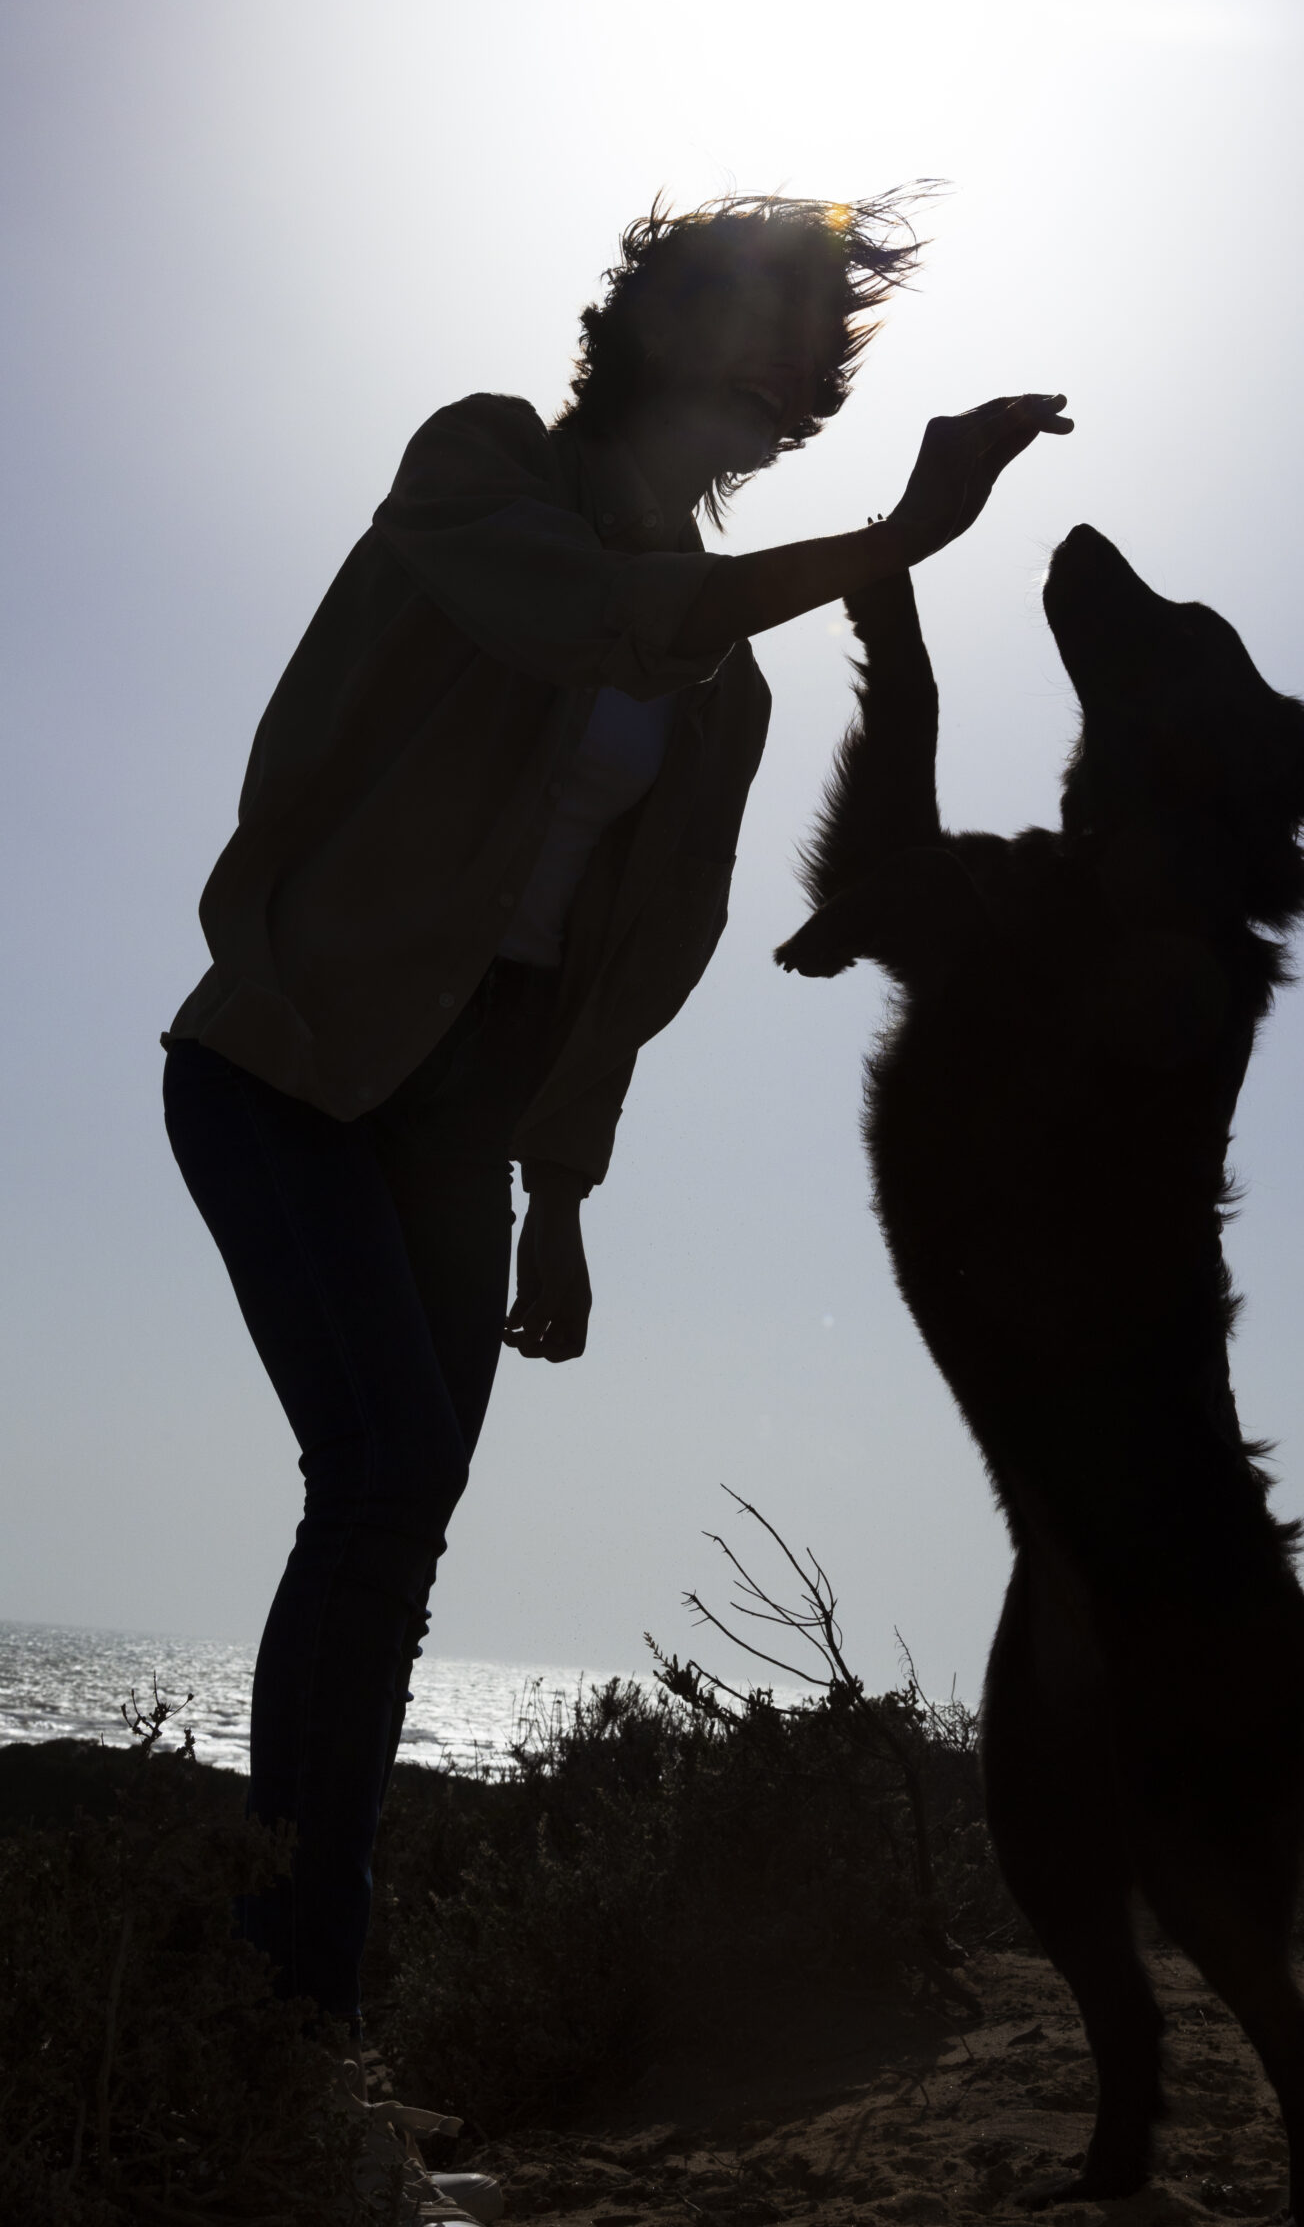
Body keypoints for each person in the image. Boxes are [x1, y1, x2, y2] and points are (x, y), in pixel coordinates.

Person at [162, 188, 1071, 2032]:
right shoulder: (482, 462)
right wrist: (895, 540)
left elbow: (628, 970)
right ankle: (282, 2018)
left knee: (392, 1533)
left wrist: (561, 1197)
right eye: (743, 303)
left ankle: (294, 2026)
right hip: (279, 1058)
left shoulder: (722, 688)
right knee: (386, 1477)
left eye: (804, 330)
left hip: (462, 1111)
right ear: (651, 320)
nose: (771, 350)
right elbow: (580, 615)